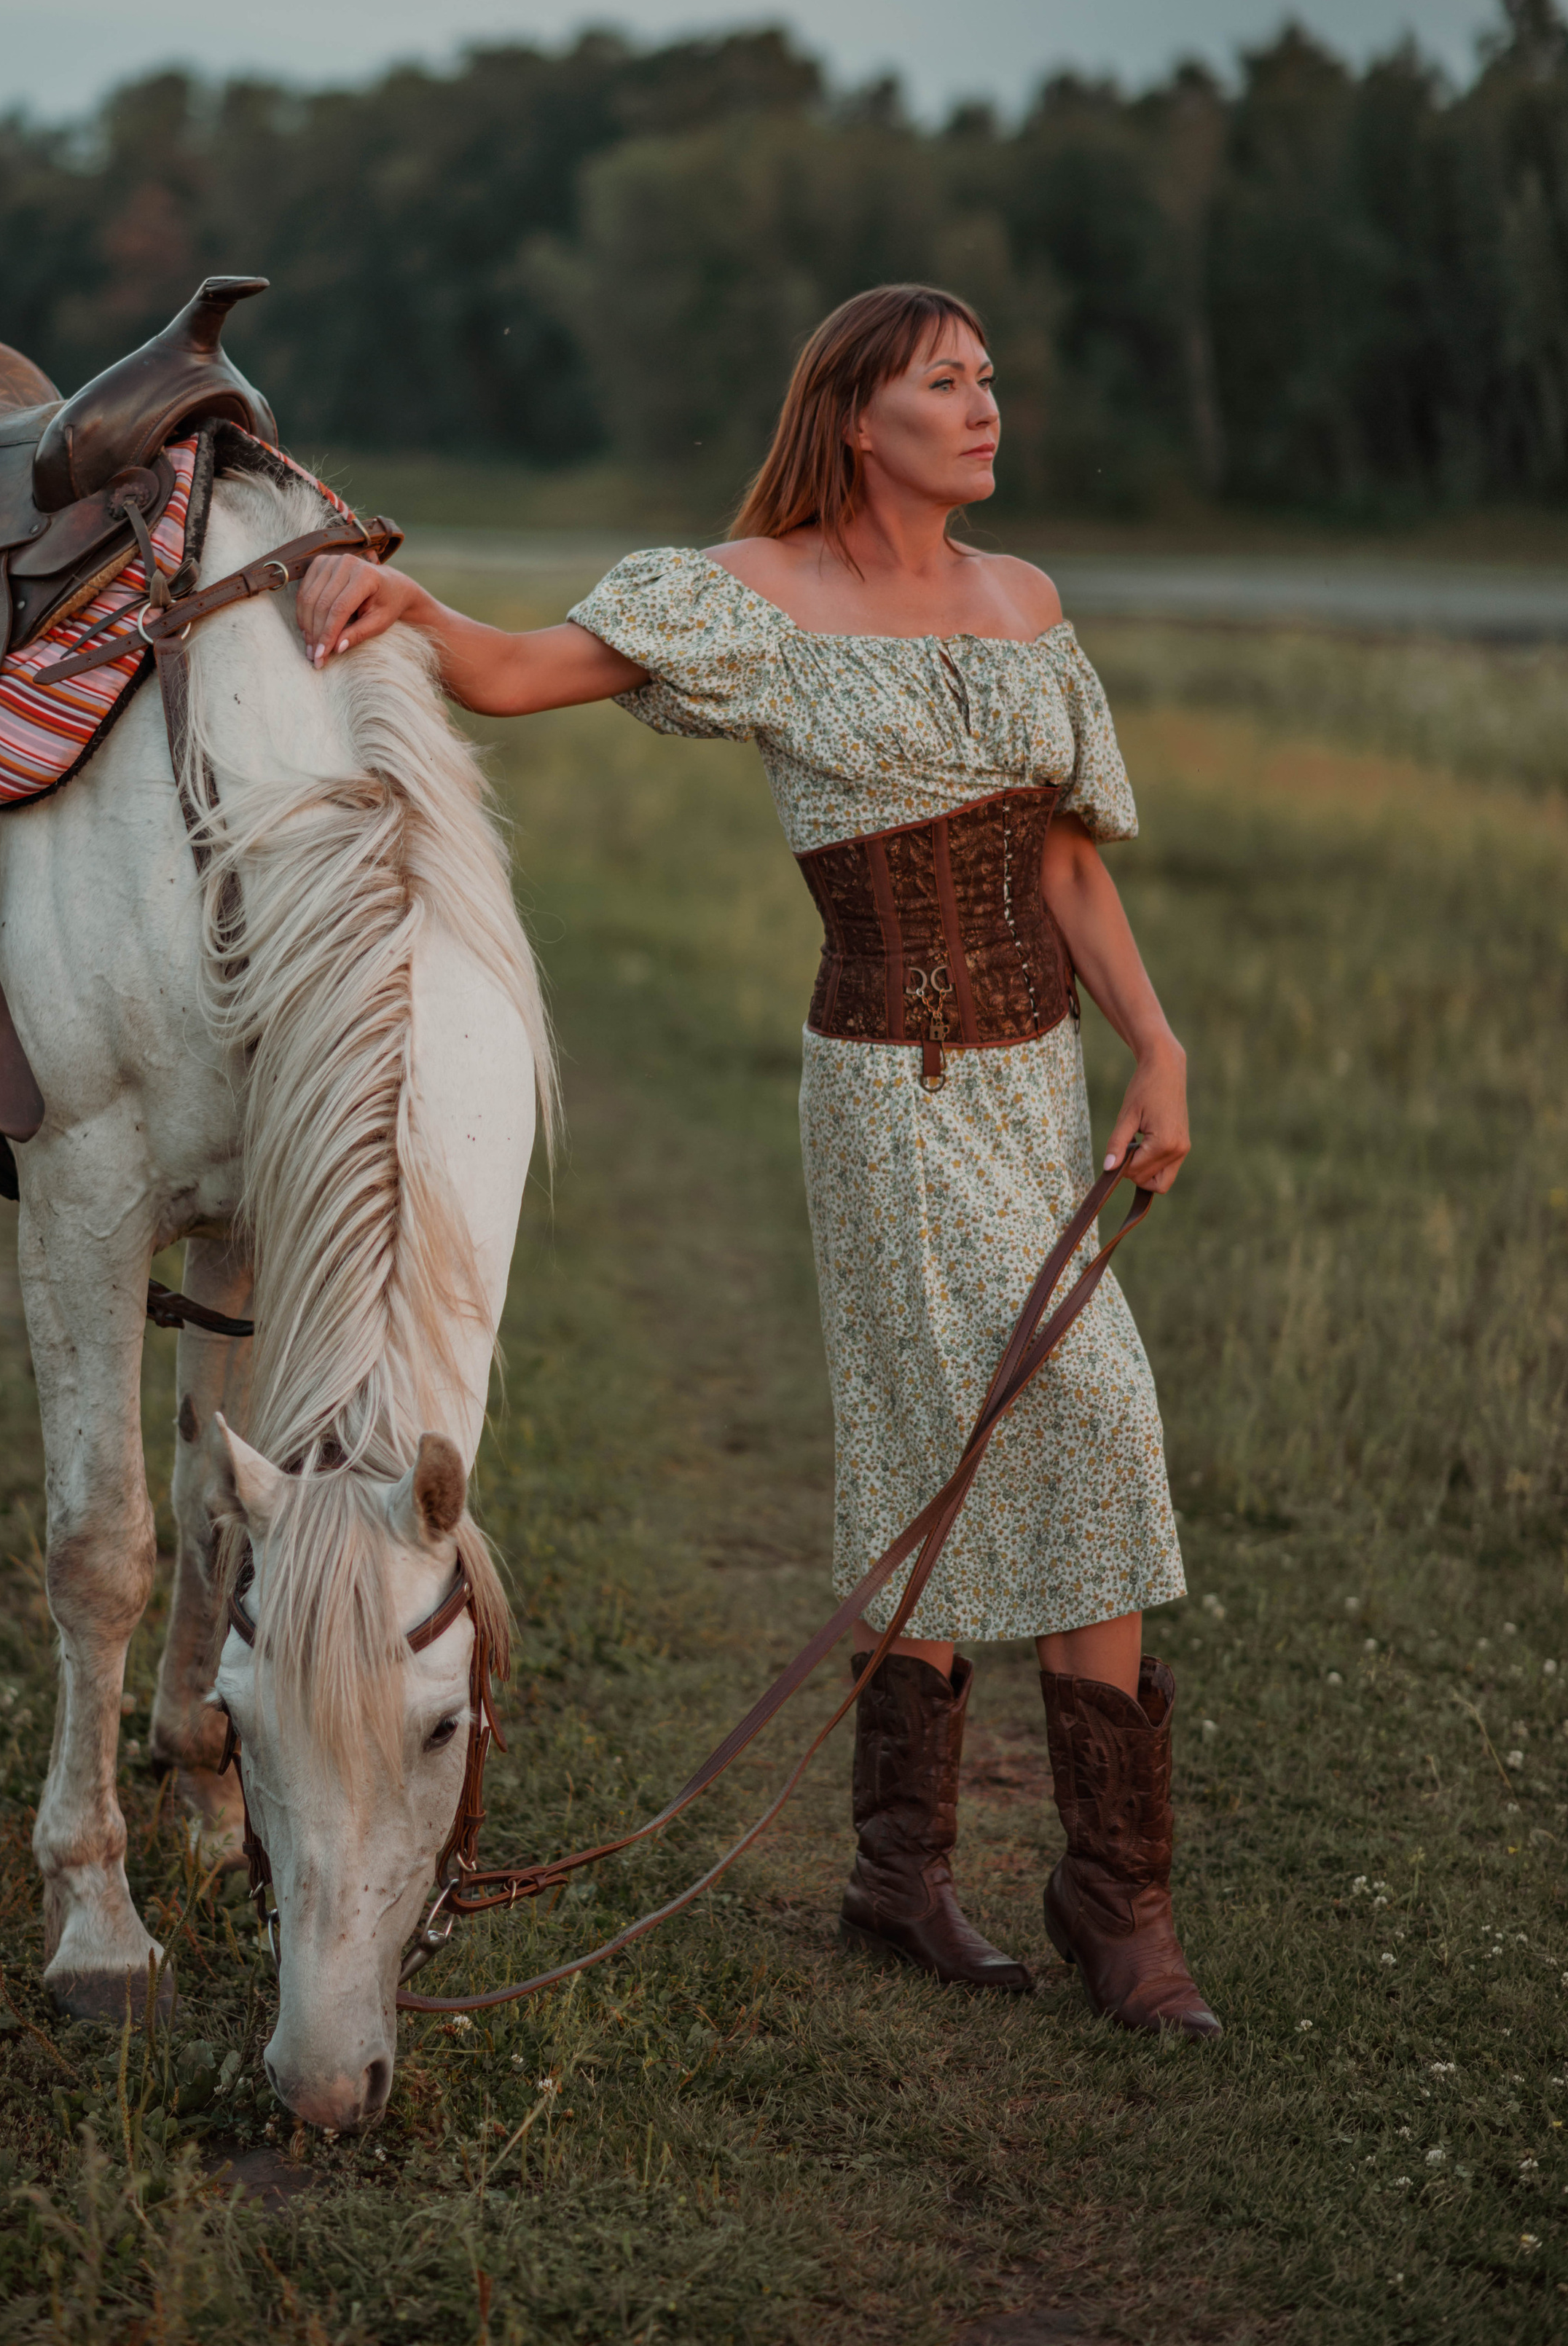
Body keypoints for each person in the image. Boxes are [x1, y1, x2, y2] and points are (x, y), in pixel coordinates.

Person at [296, 284, 1218, 2038]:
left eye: (987, 378)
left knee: (1054, 1416)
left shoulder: (1024, 605)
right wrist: (410, 604)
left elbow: (1068, 868)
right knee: (986, 1419)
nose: (983, 403)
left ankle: (1086, 1894)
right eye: (945, 381)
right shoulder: (752, 599)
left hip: (1037, 1079)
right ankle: (946, 1878)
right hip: (887, 1081)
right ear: (855, 415)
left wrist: (1156, 1045)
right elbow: (511, 675)